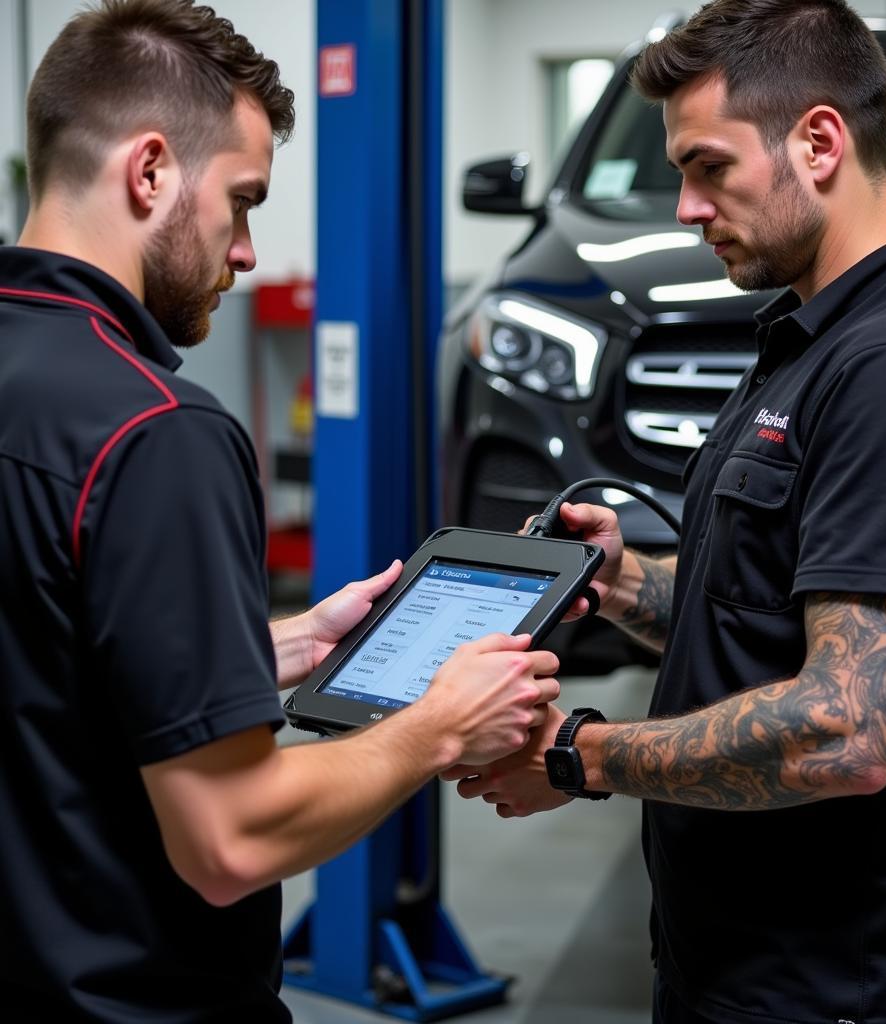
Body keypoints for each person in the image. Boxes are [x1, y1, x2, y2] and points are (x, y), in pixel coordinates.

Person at [443, 2, 886, 1022]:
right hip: (748, 970)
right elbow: (766, 612)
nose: (684, 208)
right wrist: (626, 582)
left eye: (709, 167)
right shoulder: (813, 341)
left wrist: (580, 754)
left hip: (851, 990)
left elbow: (846, 731)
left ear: (818, 141)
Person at [0, 2, 560, 1020]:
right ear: (152, 170)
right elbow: (229, 842)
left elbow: (46, 671)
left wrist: (273, 646)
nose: (247, 250)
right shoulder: (155, 431)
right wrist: (438, 726)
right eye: (243, 201)